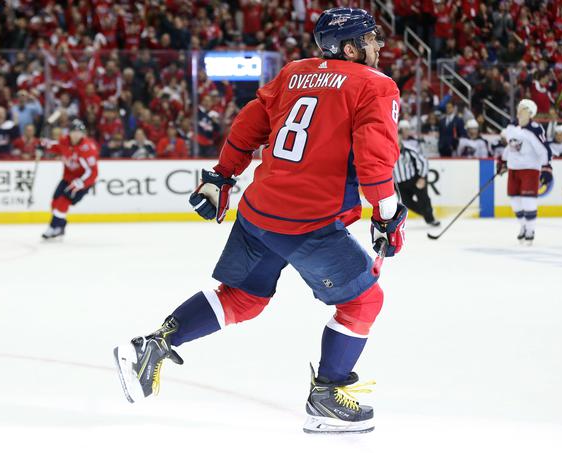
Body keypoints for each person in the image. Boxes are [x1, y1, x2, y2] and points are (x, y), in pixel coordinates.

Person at [113, 8, 408, 435]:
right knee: (364, 301)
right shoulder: (375, 85)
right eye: (371, 39)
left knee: (242, 298)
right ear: (349, 48)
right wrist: (386, 214)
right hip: (310, 219)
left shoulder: (294, 72)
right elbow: (375, 158)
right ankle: (326, 396)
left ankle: (153, 346)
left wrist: (221, 175)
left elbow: (250, 123)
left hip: (260, 209)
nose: (378, 46)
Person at [497, 99, 551, 244]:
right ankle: (523, 226)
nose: (520, 110)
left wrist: (547, 167)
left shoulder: (535, 128)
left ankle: (530, 229)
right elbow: (510, 146)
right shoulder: (511, 127)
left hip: (530, 169)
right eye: (519, 108)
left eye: (524, 108)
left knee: (528, 201)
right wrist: (503, 161)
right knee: (515, 201)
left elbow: (543, 149)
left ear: (530, 112)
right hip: (514, 169)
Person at [40, 119, 99, 240]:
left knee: (63, 202)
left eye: (79, 132)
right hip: (67, 178)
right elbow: (57, 147)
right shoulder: (64, 141)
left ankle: (52, 227)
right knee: (55, 202)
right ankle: (60, 227)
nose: (76, 134)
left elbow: (93, 172)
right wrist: (44, 144)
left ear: (83, 134)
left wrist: (81, 182)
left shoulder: (88, 149)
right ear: (70, 132)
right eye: (74, 131)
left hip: (82, 182)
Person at [394, 135, 440, 226]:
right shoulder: (386, 151)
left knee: (424, 199)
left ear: (400, 137)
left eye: (396, 136)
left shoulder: (410, 149)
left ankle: (430, 219)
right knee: (406, 203)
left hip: (415, 179)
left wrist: (422, 177)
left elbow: (423, 162)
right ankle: (427, 213)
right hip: (399, 183)